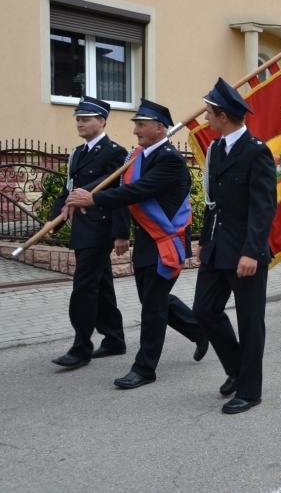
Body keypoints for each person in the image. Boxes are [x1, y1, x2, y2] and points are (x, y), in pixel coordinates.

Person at [66, 99, 207, 388]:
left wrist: (93, 199)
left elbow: (137, 190)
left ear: (159, 127)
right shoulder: (139, 156)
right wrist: (84, 193)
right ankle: (200, 330)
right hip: (147, 240)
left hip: (165, 241)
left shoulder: (168, 158)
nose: (135, 132)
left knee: (153, 306)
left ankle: (144, 369)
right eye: (136, 125)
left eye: (141, 125)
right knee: (152, 299)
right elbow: (115, 182)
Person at [191, 78, 277, 414]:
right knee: (204, 309)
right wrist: (203, 241)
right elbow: (213, 203)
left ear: (223, 115)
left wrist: (252, 251)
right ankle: (237, 368)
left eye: (210, 113)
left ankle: (250, 390)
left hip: (245, 251)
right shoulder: (216, 149)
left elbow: (263, 206)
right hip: (216, 246)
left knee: (249, 321)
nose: (206, 119)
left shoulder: (256, 151)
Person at [50, 97, 129, 369]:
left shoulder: (115, 153)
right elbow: (70, 189)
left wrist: (121, 233)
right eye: (78, 119)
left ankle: (81, 347)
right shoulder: (78, 153)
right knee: (102, 285)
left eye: (86, 119)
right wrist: (54, 221)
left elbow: (119, 194)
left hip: (100, 228)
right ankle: (114, 339)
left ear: (102, 121)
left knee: (84, 287)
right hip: (83, 229)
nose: (80, 123)